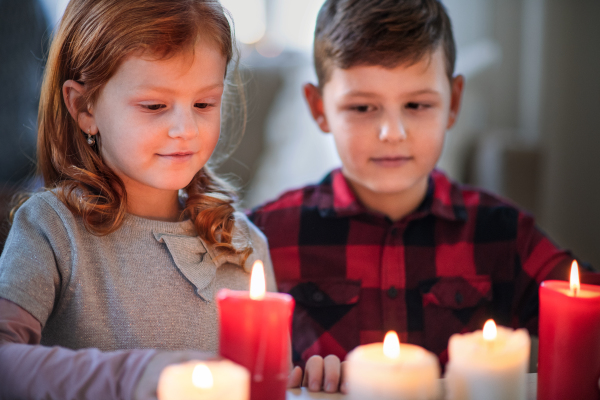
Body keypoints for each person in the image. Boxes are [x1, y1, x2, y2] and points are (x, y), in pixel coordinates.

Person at [0, 0, 339, 398]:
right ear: (84, 106)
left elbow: (258, 383)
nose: (185, 129)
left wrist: (303, 378)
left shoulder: (243, 244)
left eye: (203, 104)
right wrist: (137, 374)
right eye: (155, 106)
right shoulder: (51, 228)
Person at [248, 0, 598, 381]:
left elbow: (584, 311)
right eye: (363, 108)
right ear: (319, 109)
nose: (393, 133)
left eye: (417, 104)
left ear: (454, 102)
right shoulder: (267, 236)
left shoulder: (501, 233)